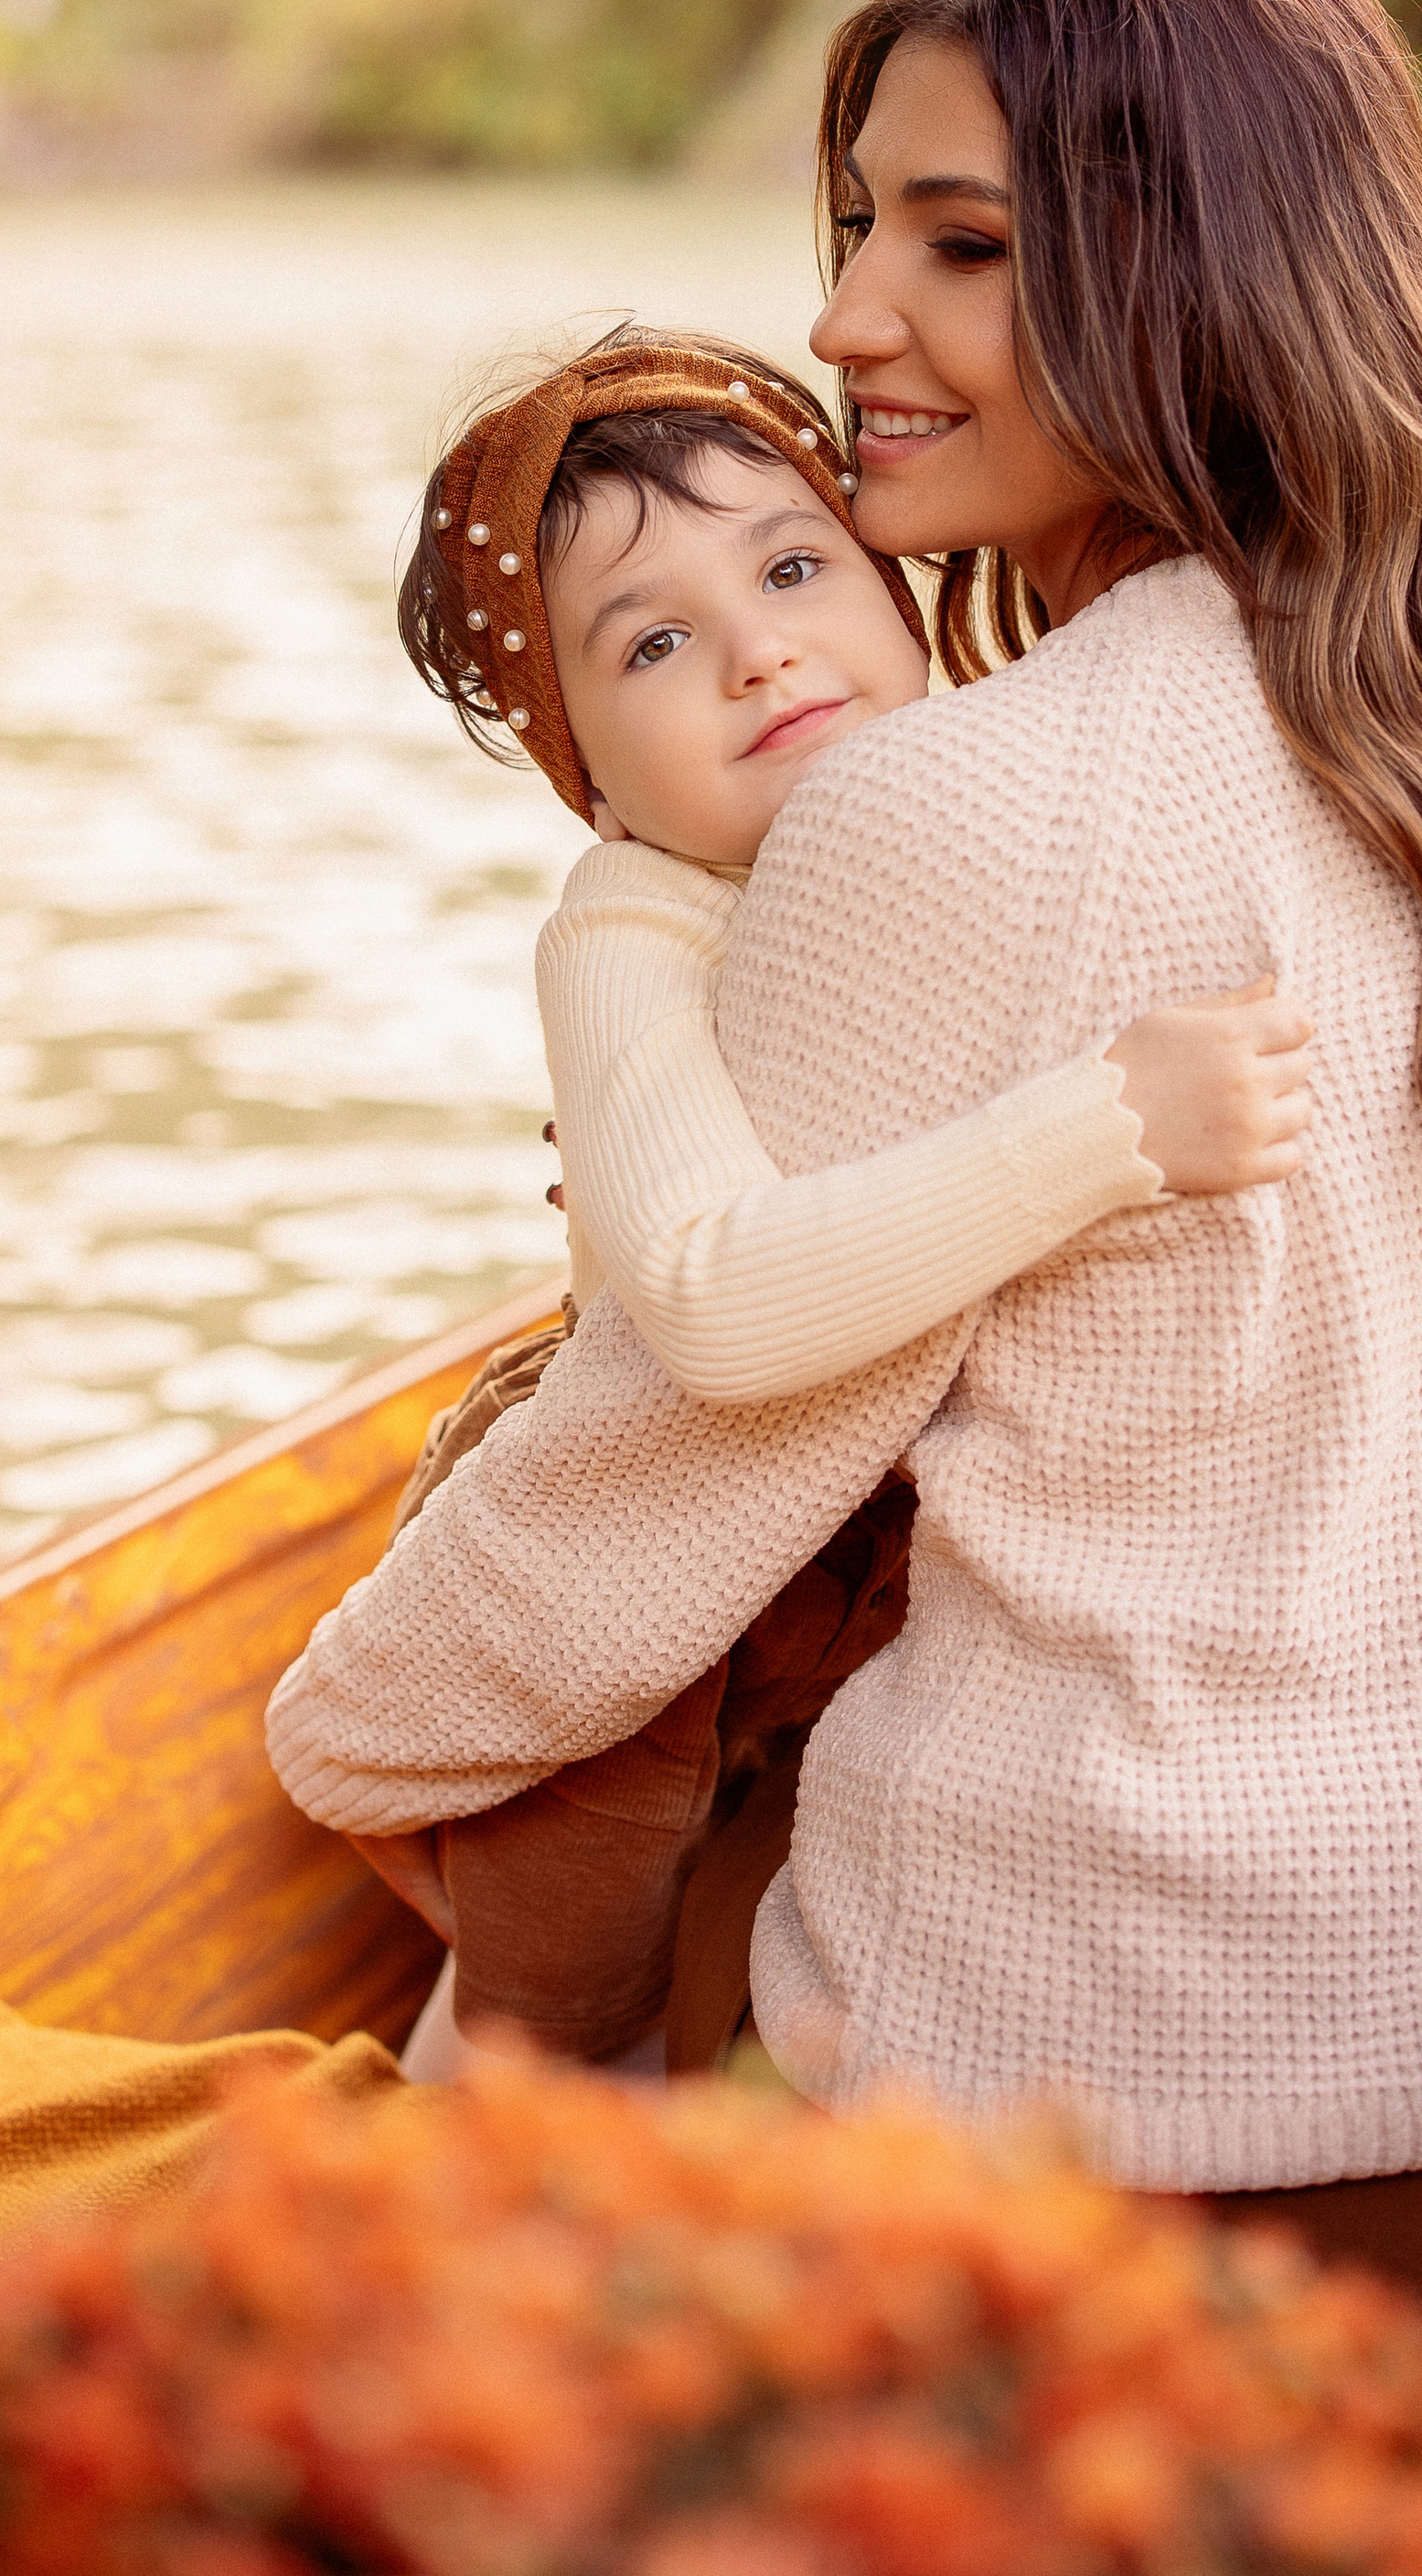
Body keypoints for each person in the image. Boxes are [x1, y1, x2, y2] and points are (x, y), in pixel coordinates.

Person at [270, 0, 1422, 2420]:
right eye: (855, 225)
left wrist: (334, 1747)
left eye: (958, 247)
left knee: (607, 1778)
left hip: (1178, 2229)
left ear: (1194, 277)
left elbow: (629, 1518)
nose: (853, 321)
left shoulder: (962, 809)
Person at [365, 328, 1313, 2076]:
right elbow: (714, 1301)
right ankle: (499, 2127)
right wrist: (1111, 1126)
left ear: (895, 591)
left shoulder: (1013, 786)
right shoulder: (632, 928)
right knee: (568, 1936)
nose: (757, 652)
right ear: (582, 760)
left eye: (796, 567)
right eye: (653, 643)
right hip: (674, 1501)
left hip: (918, 1507)